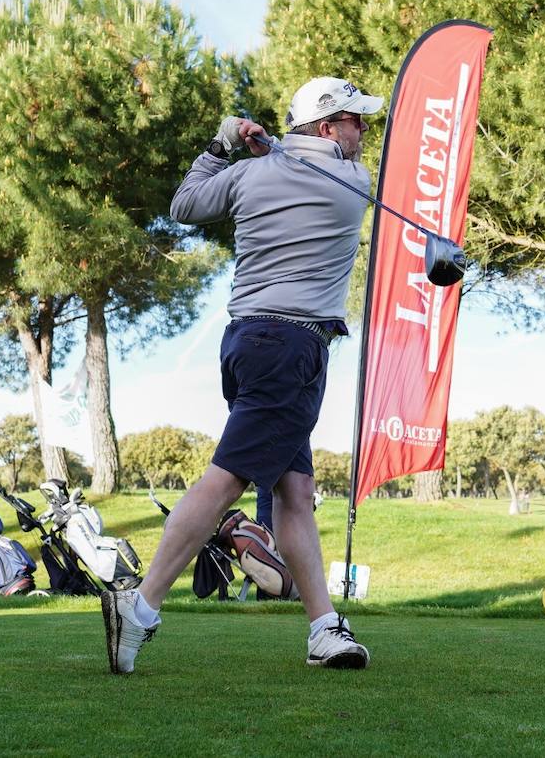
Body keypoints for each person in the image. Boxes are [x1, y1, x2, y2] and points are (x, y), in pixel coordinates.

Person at [100, 76, 384, 674]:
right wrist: (265, 147)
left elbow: (184, 205)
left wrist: (223, 142)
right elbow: (312, 168)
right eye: (357, 121)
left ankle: (323, 628)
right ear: (329, 127)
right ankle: (142, 606)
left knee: (295, 493)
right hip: (291, 349)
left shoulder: (252, 174)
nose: (365, 132)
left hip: (249, 342)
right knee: (227, 479)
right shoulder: (353, 182)